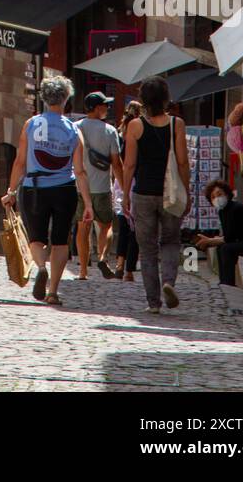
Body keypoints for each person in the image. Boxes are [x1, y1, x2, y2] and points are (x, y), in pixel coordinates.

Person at [2, 75, 94, 307]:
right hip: (64, 189)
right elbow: (80, 171)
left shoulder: (31, 124)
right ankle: (53, 291)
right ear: (65, 99)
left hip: (34, 188)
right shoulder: (74, 130)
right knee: (61, 241)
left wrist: (11, 191)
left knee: (36, 238)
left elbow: (19, 162)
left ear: (43, 98)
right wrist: (89, 204)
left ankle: (41, 267)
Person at [122, 76, 190, 314]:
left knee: (147, 248)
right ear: (166, 98)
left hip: (143, 193)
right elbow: (182, 162)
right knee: (171, 241)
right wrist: (187, 191)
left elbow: (129, 164)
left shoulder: (135, 126)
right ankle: (169, 282)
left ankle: (153, 302)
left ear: (143, 99)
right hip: (170, 193)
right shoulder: (177, 124)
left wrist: (125, 194)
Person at [75, 91, 124, 281]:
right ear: (97, 108)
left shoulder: (75, 127)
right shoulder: (109, 131)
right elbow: (116, 162)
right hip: (103, 187)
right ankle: (102, 257)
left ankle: (82, 272)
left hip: (81, 187)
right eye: (105, 105)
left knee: (82, 228)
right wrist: (123, 187)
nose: (107, 108)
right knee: (106, 226)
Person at [195, 180, 243, 286]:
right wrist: (214, 240)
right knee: (221, 247)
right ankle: (223, 281)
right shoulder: (223, 211)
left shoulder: (236, 209)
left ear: (226, 194)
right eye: (213, 197)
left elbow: (230, 237)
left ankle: (228, 283)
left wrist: (211, 241)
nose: (217, 199)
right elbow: (229, 235)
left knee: (227, 248)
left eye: (219, 194)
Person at [114, 101, 141, 281]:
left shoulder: (120, 133)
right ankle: (129, 270)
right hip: (137, 181)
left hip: (121, 181)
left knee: (123, 226)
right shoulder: (139, 131)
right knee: (135, 230)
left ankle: (119, 263)